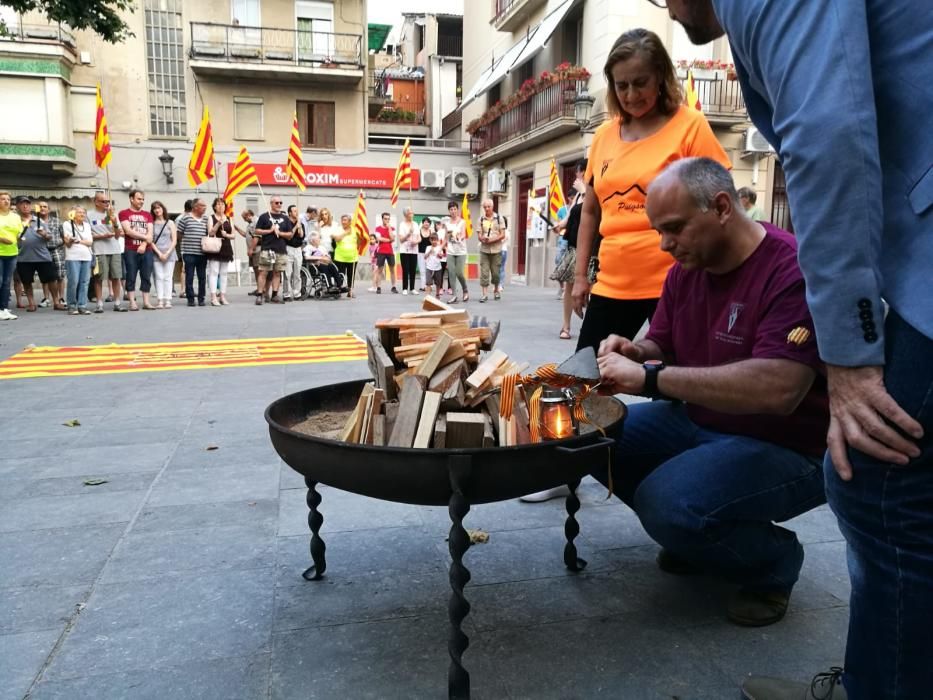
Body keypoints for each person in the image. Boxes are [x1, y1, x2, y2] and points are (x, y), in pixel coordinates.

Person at [663, 2, 931, 698]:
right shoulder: (682, 273)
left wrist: (848, 356)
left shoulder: (778, 264)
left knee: (881, 495)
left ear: (719, 208)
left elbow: (827, 132)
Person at [595, 157, 828, 626]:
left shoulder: (791, 271)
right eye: (659, 230)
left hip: (786, 445)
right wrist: (637, 350)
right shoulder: (688, 266)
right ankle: (698, 538)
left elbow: (779, 388)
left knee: (669, 503)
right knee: (592, 441)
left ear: (721, 207)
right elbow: (663, 342)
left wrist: (652, 379)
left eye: (674, 228)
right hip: (701, 420)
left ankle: (772, 565)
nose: (665, 244)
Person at [570, 28, 731, 351]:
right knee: (584, 380)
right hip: (612, 281)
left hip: (677, 281)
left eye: (640, 82)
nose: (630, 95)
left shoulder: (690, 126)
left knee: (680, 381)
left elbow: (723, 198)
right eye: (622, 85)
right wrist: (579, 277)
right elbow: (590, 210)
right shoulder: (603, 136)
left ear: (660, 76)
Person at [552, 161, 587, 340]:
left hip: (591, 249)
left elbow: (594, 211)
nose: (575, 178)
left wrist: (584, 190)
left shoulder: (589, 192)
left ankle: (590, 325)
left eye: (577, 174)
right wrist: (560, 225)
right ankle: (565, 326)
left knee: (592, 289)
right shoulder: (578, 197)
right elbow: (569, 216)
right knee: (568, 287)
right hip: (573, 246)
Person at [14, 195, 56, 313]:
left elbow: (49, 237)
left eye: (27, 203)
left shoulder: (39, 220)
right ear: (17, 206)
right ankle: (32, 304)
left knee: (51, 279)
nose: (25, 205)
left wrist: (43, 234)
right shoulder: (15, 221)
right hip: (23, 257)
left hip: (42, 256)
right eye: (22, 203)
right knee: (26, 281)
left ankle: (56, 302)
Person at [118, 189, 155, 311]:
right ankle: (132, 302)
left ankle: (146, 302)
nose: (142, 201)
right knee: (131, 275)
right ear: (131, 199)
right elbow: (128, 231)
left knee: (146, 276)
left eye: (143, 199)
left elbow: (151, 233)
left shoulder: (148, 215)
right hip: (130, 250)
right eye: (139, 199)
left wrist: (144, 244)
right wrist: (146, 238)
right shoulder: (123, 213)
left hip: (147, 250)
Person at [89, 191, 125, 313]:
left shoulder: (112, 215)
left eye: (108, 201)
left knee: (116, 277)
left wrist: (114, 222)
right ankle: (99, 303)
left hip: (114, 249)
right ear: (96, 202)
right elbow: (88, 235)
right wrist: (102, 236)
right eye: (103, 201)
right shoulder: (89, 215)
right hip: (99, 250)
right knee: (99, 278)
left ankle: (117, 302)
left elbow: (118, 235)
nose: (106, 204)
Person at [254, 197, 293, 304]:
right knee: (263, 272)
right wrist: (270, 230)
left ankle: (275, 295)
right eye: (277, 202)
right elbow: (257, 230)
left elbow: (290, 235)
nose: (279, 204)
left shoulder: (285, 218)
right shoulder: (264, 216)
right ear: (271, 203)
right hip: (267, 249)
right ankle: (260, 295)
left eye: (281, 202)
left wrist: (280, 233)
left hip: (281, 249)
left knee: (277, 273)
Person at [175, 197, 209, 307]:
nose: (205, 208)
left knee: (202, 277)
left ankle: (201, 298)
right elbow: (179, 234)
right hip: (188, 252)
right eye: (202, 206)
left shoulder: (206, 219)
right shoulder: (185, 219)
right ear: (195, 207)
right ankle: (190, 299)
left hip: (202, 253)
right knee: (189, 276)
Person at [62, 206, 94, 315]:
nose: (82, 214)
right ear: (73, 214)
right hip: (73, 257)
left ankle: (82, 305)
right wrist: (72, 240)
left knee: (85, 282)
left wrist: (78, 241)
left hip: (86, 256)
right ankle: (71, 305)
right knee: (73, 281)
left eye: (83, 212)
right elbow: (68, 242)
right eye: (79, 212)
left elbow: (90, 242)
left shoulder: (87, 225)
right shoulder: (67, 224)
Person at [204, 198, 235, 306]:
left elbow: (233, 235)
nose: (220, 206)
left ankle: (222, 296)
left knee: (224, 273)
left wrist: (227, 235)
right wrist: (218, 224)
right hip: (215, 247)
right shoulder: (211, 218)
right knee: (214, 272)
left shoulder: (229, 218)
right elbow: (210, 233)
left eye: (222, 204)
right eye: (218, 204)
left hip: (226, 247)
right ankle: (213, 297)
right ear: (214, 207)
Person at [37, 201, 66, 310]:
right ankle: (46, 299)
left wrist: (60, 242)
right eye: (40, 207)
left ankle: (61, 298)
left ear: (49, 209)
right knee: (45, 276)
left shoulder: (57, 221)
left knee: (60, 275)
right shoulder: (35, 222)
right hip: (42, 250)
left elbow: (64, 236)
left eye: (45, 206)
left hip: (57, 250)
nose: (42, 208)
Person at [150, 201, 177, 309]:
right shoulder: (151, 223)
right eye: (155, 208)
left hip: (170, 253)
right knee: (159, 277)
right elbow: (150, 240)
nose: (157, 210)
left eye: (159, 207)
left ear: (163, 209)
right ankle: (160, 300)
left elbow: (174, 240)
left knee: (168, 277)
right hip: (157, 253)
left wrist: (167, 253)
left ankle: (168, 300)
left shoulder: (170, 223)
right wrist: (159, 253)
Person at [477, 198, 504, 302]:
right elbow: (479, 235)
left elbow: (502, 234)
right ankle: (484, 294)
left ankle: (496, 290)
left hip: (496, 250)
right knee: (484, 272)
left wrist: (492, 240)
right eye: (485, 207)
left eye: (488, 207)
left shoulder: (499, 218)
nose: (487, 209)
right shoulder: (481, 219)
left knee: (496, 273)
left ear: (492, 207)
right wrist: (482, 238)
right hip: (484, 250)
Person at [0, 191, 21, 320]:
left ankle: (3, 308)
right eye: (3, 199)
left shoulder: (15, 217)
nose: (6, 201)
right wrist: (1, 239)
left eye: (8, 199)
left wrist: (20, 237)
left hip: (12, 252)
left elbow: (18, 232)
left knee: (7, 282)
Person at [444, 201, 470, 303]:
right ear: (449, 211)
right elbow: (446, 238)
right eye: (451, 209)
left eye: (455, 209)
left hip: (461, 251)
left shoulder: (462, 222)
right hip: (450, 251)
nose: (453, 211)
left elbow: (463, 234)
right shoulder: (447, 223)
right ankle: (454, 295)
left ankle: (465, 289)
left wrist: (459, 238)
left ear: (457, 210)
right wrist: (441, 248)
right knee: (451, 273)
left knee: (459, 272)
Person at [331, 213, 359, 298]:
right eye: (342, 220)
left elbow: (359, 241)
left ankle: (350, 291)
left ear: (350, 221)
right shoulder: (338, 229)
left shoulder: (355, 230)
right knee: (339, 275)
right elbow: (337, 239)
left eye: (345, 220)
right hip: (340, 257)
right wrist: (346, 233)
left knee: (351, 276)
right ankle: (338, 290)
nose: (343, 222)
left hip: (352, 257)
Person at [283, 204, 306, 301]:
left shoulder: (301, 223)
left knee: (297, 272)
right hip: (288, 248)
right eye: (294, 211)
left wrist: (299, 226)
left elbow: (301, 236)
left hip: (298, 249)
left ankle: (297, 293)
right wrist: (295, 227)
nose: (297, 213)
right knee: (288, 273)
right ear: (289, 213)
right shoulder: (285, 223)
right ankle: (286, 294)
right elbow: (289, 236)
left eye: (297, 211)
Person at [235, 209, 260, 296]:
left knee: (258, 270)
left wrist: (251, 249)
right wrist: (237, 229)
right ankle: (259, 288)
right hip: (253, 250)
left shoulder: (256, 221)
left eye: (244, 217)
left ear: (249, 215)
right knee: (255, 269)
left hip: (256, 250)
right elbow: (246, 235)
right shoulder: (250, 224)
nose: (244, 220)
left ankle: (261, 289)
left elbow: (256, 237)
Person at [372, 212, 397, 294]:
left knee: (392, 270)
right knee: (380, 270)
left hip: (390, 251)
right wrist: (389, 240)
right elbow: (379, 238)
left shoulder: (392, 228)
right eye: (385, 218)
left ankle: (393, 287)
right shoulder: (378, 228)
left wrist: (389, 228)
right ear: (382, 219)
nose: (387, 220)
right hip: (381, 251)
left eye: (388, 219)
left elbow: (393, 238)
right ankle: (378, 287)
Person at [397, 207, 419, 295]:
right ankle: (405, 288)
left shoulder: (416, 224)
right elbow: (401, 239)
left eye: (412, 212)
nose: (412, 214)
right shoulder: (402, 224)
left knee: (413, 269)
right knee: (405, 269)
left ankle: (412, 288)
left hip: (414, 250)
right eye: (410, 213)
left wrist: (416, 242)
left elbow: (419, 238)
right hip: (404, 251)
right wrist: (409, 234)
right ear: (406, 214)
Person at [318, 208, 342, 288]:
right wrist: (318, 227)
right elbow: (315, 238)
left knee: (335, 268)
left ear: (329, 215)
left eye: (326, 214)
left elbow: (338, 236)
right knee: (325, 268)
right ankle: (328, 286)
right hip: (322, 251)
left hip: (333, 249)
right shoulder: (318, 225)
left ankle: (338, 286)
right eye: (322, 214)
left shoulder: (335, 224)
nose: (324, 216)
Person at [423, 230, 444, 297]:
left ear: (437, 240)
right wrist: (429, 252)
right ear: (430, 240)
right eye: (432, 240)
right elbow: (425, 257)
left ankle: (437, 294)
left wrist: (440, 255)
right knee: (428, 283)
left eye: (435, 240)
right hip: (429, 268)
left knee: (438, 283)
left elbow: (441, 257)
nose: (434, 241)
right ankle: (427, 296)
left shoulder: (439, 248)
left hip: (438, 268)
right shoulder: (428, 247)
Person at [417, 216, 433, 291]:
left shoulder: (431, 232)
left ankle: (429, 285)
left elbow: (434, 242)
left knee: (430, 270)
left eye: (428, 222)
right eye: (425, 222)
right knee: (422, 270)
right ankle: (423, 286)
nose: (426, 223)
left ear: (430, 224)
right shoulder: (418, 231)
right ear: (423, 223)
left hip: (430, 254)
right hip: (420, 253)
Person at [496, 214, 509, 297]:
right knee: (499, 269)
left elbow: (502, 240)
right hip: (500, 251)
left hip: (502, 251)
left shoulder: (506, 232)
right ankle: (498, 285)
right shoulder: (502, 231)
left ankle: (500, 285)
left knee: (501, 268)